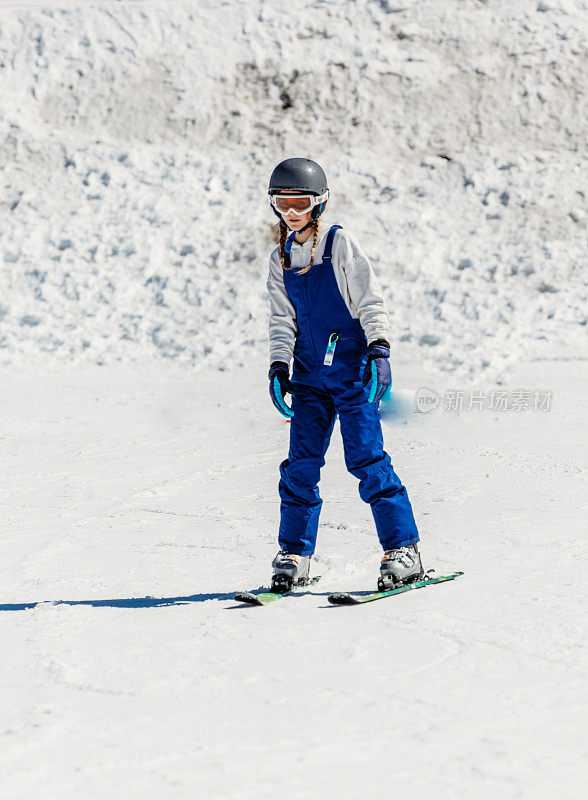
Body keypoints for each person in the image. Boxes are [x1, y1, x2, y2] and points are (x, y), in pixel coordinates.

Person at [266, 157, 422, 593]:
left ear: (320, 202)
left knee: (367, 460)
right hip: (309, 377)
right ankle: (295, 553)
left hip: (352, 373)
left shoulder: (338, 244)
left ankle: (402, 550)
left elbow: (370, 301)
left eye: (301, 202)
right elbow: (282, 321)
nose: (292, 212)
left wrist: (380, 349)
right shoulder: (279, 257)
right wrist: (279, 366)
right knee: (300, 467)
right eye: (283, 203)